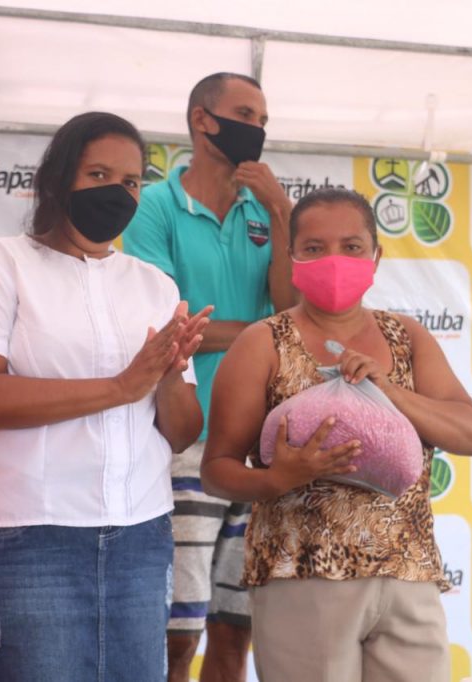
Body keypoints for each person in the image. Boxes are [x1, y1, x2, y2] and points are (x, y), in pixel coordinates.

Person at [0, 111, 208, 681]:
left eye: (131, 181)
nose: (117, 191)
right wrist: (121, 387)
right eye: (98, 175)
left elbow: (181, 432)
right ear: (58, 178)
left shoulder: (154, 284)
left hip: (141, 535)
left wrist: (168, 374)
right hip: (30, 536)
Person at [201, 188, 472, 682]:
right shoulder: (262, 343)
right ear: (291, 258)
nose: (333, 260)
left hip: (408, 573)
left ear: (376, 255)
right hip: (302, 576)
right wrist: (274, 480)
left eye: (351, 247)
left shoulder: (407, 336)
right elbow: (216, 469)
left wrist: (387, 389)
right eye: (314, 248)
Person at [124, 72, 298, 681]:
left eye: (264, 119)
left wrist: (281, 212)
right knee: (178, 632)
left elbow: (290, 309)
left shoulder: (264, 208)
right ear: (202, 119)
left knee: (235, 628)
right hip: (186, 439)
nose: (257, 129)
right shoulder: (153, 206)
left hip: (260, 443)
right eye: (245, 114)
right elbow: (169, 325)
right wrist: (263, 334)